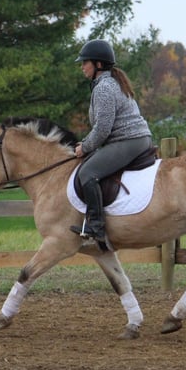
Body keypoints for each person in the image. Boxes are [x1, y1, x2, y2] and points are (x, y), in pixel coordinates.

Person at [70, 39, 153, 245]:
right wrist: (88, 143)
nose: (82, 67)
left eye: (85, 62)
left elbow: (103, 129)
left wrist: (85, 147)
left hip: (129, 140)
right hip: (135, 139)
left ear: (98, 64)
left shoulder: (104, 88)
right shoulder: (109, 83)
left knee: (87, 173)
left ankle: (96, 226)